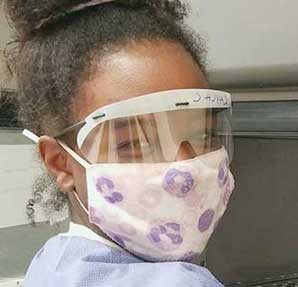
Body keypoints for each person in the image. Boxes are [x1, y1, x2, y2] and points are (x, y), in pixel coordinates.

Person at [4, 0, 235, 286]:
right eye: (134, 143)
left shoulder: (52, 262)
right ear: (60, 162)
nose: (185, 167)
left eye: (204, 136)